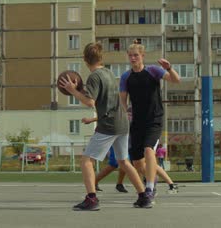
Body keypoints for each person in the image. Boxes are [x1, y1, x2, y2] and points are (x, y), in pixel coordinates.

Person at [59, 42, 152, 211]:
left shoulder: (94, 77)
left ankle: (92, 199)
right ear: (101, 57)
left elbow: (89, 102)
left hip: (109, 125)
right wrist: (93, 118)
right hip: (122, 123)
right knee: (123, 161)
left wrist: (73, 90)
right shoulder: (108, 72)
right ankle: (144, 196)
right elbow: (107, 102)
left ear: (85, 60)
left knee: (86, 160)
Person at [119, 41, 181, 203]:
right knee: (137, 163)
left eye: (136, 55)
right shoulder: (126, 77)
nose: (133, 58)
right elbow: (123, 102)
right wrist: (124, 117)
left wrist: (169, 68)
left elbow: (176, 80)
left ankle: (150, 188)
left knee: (149, 150)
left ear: (142, 56)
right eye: (130, 55)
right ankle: (150, 180)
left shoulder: (153, 71)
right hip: (137, 122)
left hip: (154, 119)